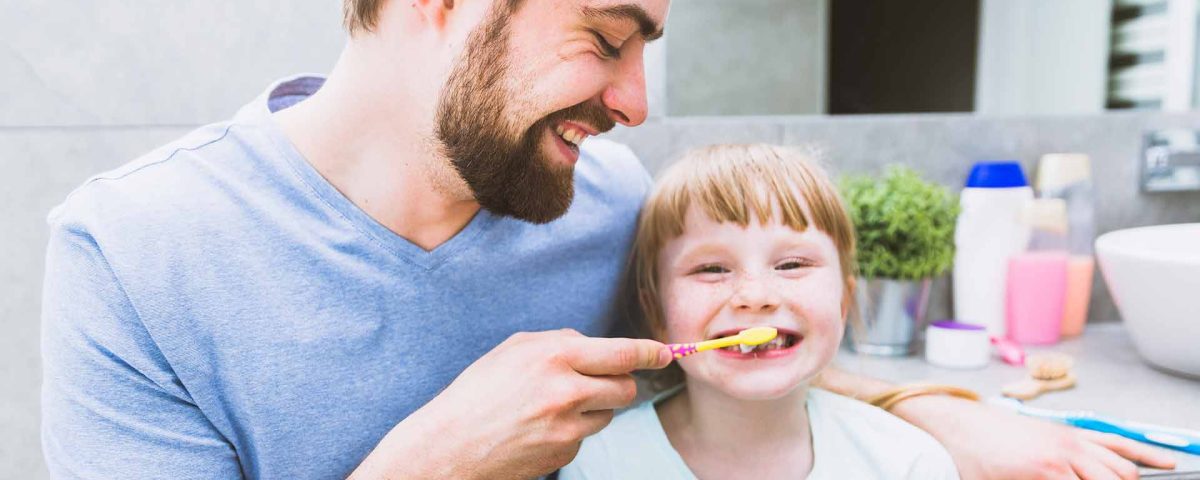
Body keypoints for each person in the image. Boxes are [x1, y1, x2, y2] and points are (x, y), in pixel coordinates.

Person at [39, 0, 1176, 478]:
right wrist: (431, 465)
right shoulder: (134, 253)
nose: (634, 102)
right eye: (604, 35)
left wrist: (940, 416)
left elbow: (736, 348)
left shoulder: (603, 195)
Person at [560, 144, 960, 479]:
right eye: (712, 269)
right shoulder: (599, 465)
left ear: (843, 302)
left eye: (792, 264)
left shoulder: (909, 465)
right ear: (657, 313)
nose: (755, 296)